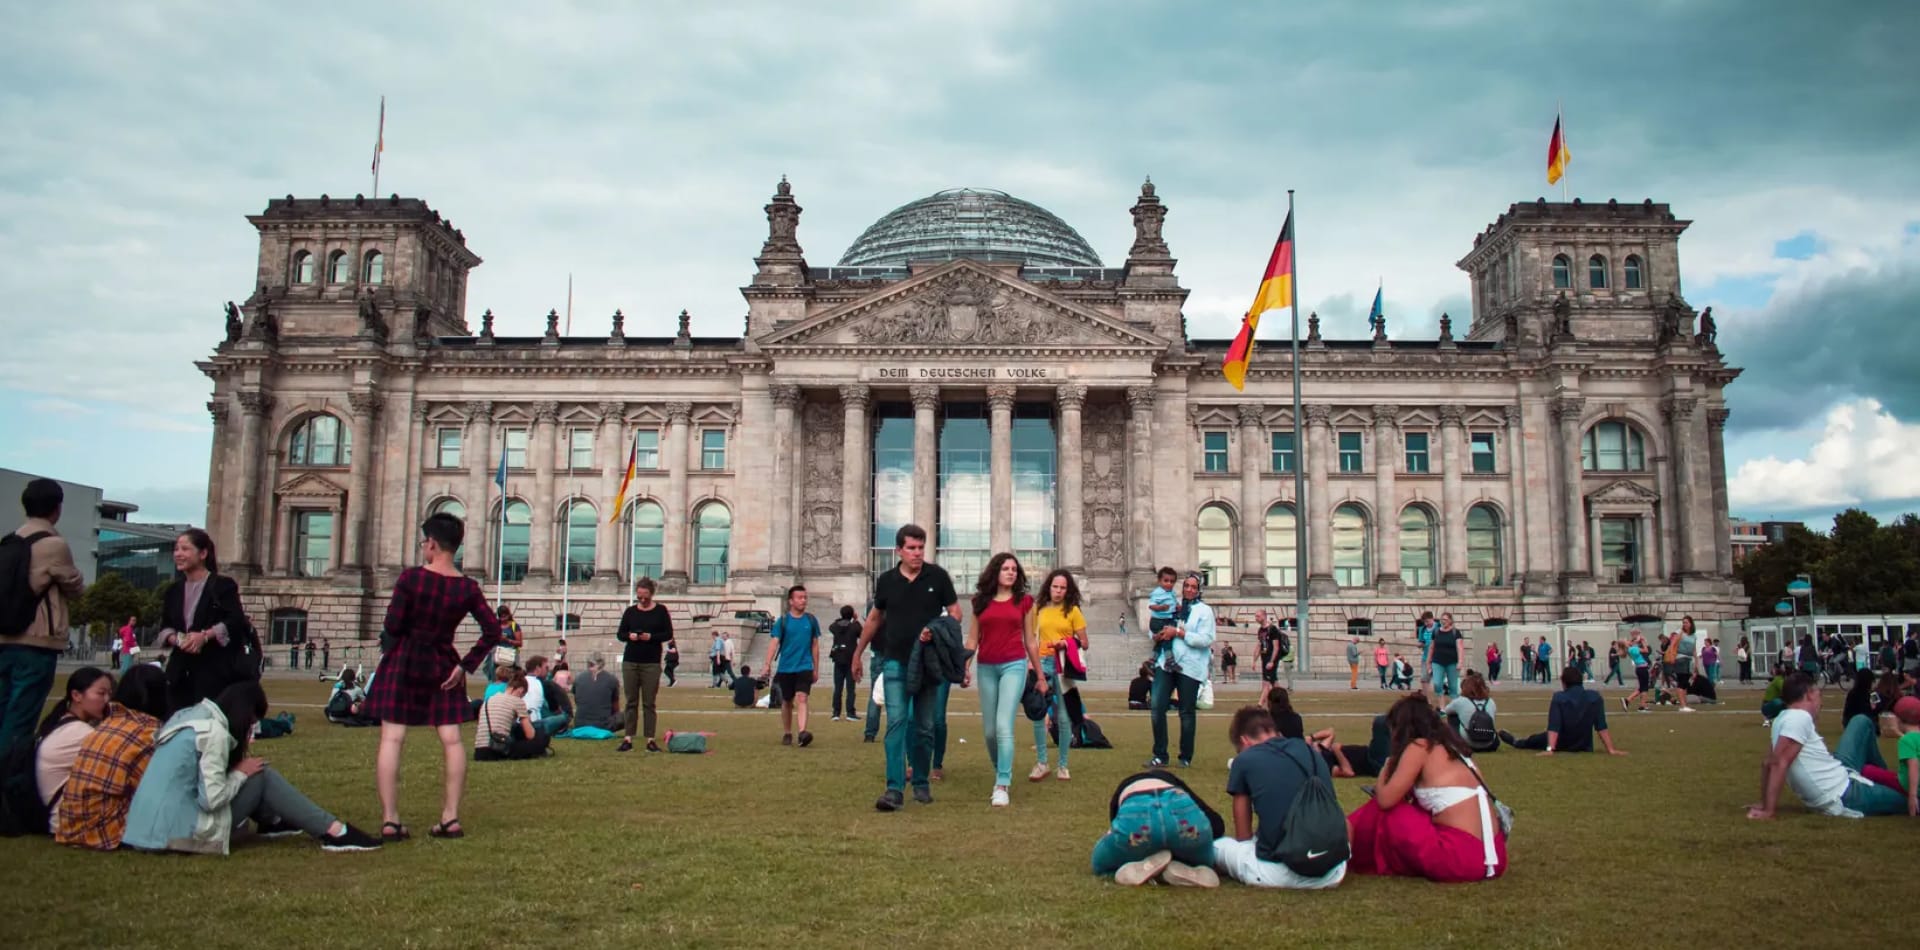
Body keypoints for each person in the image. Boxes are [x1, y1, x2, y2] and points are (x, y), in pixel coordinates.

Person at [366, 512, 504, 842]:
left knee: (392, 739)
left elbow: (393, 625)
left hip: (404, 659)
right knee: (452, 740)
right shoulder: (467, 587)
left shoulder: (410, 579)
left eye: (423, 543)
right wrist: (465, 665)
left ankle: (390, 820)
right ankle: (450, 817)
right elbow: (492, 630)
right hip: (444, 663)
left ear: (431, 543)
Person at [124, 681, 380, 853]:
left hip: (143, 830)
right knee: (261, 775)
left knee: (251, 771)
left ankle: (272, 820)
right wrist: (239, 774)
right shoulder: (213, 732)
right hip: (177, 835)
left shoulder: (188, 717)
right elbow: (211, 799)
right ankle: (333, 831)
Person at [851, 524, 959, 811]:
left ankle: (921, 781)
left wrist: (935, 631)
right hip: (895, 662)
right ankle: (894, 788)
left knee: (923, 727)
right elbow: (874, 619)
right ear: (898, 550)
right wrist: (858, 653)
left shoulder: (938, 577)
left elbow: (956, 615)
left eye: (921, 547)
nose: (917, 553)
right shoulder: (886, 581)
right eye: (911, 548)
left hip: (926, 664)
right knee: (896, 723)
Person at [1347, 695, 1508, 882]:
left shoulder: (1419, 747)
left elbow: (1385, 800)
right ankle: (1346, 837)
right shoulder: (1455, 749)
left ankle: (1345, 841)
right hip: (1494, 856)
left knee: (1388, 811)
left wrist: (1386, 768)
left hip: (1459, 856)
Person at [1, 479, 87, 814]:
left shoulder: (12, 539)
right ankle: (10, 801)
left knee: (3, 713)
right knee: (20, 722)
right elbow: (75, 585)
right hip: (35, 642)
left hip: (5, 640)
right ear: (57, 508)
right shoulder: (53, 543)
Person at [1211, 706, 1346, 889]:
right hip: (1333, 870)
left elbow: (1243, 836)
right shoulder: (1310, 751)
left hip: (1279, 873)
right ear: (1276, 732)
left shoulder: (1246, 759)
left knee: (1219, 846)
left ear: (1245, 741)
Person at [1749, 672, 1909, 819]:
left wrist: (1764, 803)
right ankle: (1893, 782)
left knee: (1861, 721)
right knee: (1905, 801)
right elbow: (1778, 763)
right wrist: (1768, 810)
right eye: (1819, 695)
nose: (1821, 702)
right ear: (1809, 695)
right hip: (1843, 793)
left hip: (1839, 772)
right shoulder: (1799, 718)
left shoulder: (1782, 718)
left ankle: (1886, 778)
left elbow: (1768, 762)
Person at [53, 664, 171, 849]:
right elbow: (155, 791)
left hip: (70, 827)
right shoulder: (146, 734)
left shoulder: (106, 726)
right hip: (106, 832)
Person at [962, 552, 1039, 808]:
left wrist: (1039, 674)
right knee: (989, 732)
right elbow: (973, 639)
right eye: (1006, 568)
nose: (1011, 572)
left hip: (1014, 666)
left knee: (1004, 725)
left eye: (1014, 569)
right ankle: (1000, 770)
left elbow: (1030, 640)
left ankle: (1002, 784)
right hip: (986, 666)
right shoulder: (979, 602)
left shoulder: (1025, 602)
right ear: (995, 571)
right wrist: (965, 666)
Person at [156, 529, 251, 712]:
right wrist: (178, 640)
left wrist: (204, 636)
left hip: (215, 669)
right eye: (176, 549)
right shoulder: (173, 590)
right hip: (180, 671)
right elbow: (165, 627)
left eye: (185, 549)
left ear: (203, 554)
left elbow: (235, 620)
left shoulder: (223, 585)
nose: (178, 554)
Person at [1092, 769, 1223, 886]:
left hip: (1136, 807)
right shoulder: (1174, 783)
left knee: (1099, 863)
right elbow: (1217, 825)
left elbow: (1117, 834)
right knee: (1208, 858)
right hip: (1181, 808)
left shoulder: (1125, 787)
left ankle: (1146, 866)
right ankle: (1186, 867)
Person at [1145, 573, 1214, 770]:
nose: (1190, 589)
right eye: (1187, 586)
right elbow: (1156, 624)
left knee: (1186, 711)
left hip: (1190, 666)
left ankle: (1185, 756)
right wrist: (1157, 635)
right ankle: (1160, 754)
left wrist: (1179, 633)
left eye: (1194, 586)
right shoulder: (1173, 605)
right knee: (1157, 706)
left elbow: (1206, 639)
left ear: (1199, 589)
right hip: (1166, 663)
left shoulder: (1204, 611)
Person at [33, 667, 115, 823]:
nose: (107, 700)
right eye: (101, 693)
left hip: (54, 814)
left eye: (109, 694)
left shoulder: (59, 722)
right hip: (66, 821)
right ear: (77, 695)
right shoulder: (80, 733)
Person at [1030, 568, 1088, 783]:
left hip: (1063, 665)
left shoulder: (1072, 610)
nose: (1058, 591)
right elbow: (1032, 639)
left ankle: (1063, 765)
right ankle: (1042, 762)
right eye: (1055, 586)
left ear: (1068, 590)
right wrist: (1031, 662)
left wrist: (1065, 643)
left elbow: (1085, 642)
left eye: (1063, 588)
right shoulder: (1039, 608)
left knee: (1063, 717)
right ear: (1049, 587)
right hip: (1042, 663)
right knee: (1038, 713)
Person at [1499, 665, 1627, 755]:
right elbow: (1601, 726)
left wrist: (1550, 749)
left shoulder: (1559, 697)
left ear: (1564, 682)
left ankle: (1517, 742)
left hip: (1561, 742)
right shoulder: (1594, 697)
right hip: (1583, 745)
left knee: (1534, 740)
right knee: (1539, 738)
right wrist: (1611, 749)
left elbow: (1554, 726)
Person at [616, 577, 674, 753]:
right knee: (631, 701)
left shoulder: (661, 611)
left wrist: (651, 637)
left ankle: (650, 739)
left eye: (645, 596)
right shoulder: (630, 612)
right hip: (631, 661)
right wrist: (630, 636)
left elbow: (668, 634)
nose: (642, 599)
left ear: (651, 594)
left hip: (651, 662)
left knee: (649, 703)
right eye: (639, 596)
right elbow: (620, 633)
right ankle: (628, 738)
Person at [764, 585, 822, 748]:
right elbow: (774, 643)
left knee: (802, 698)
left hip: (804, 666)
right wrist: (767, 664)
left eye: (805, 597)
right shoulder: (783, 622)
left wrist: (815, 668)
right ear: (791, 601)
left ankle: (802, 732)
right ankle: (788, 732)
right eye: (799, 597)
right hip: (786, 667)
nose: (803, 600)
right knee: (787, 701)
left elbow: (815, 645)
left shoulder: (811, 620)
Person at [474, 674, 550, 761]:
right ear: (520, 690)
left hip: (480, 752)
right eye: (523, 695)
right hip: (498, 750)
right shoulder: (517, 701)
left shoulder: (489, 700)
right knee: (543, 736)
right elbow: (530, 735)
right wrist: (527, 718)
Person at [1441, 672, 1500, 753]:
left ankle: (1454, 742)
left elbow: (1447, 710)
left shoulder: (1461, 701)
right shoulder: (1491, 702)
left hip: (1468, 743)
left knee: (1452, 716)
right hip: (1490, 743)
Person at [570, 653, 623, 732]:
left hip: (580, 724)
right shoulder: (612, 679)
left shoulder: (578, 678)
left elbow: (578, 700)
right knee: (628, 715)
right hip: (603, 725)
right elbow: (615, 707)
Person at [828, 605, 862, 722]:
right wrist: (856, 620)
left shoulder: (836, 626)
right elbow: (861, 633)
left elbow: (831, 627)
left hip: (838, 658)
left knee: (838, 687)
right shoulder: (854, 627)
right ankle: (850, 713)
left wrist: (840, 619)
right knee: (850, 688)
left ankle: (836, 712)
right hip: (850, 659)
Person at [520, 655, 569, 736]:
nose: (548, 671)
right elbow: (554, 708)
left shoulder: (521, 681)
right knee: (565, 716)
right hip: (536, 724)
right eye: (546, 668)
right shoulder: (543, 683)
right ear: (538, 668)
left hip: (520, 722)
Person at [1147, 566, 1179, 671]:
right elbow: (1151, 605)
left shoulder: (1172, 593)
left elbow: (1174, 603)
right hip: (1158, 621)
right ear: (1159, 581)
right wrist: (1160, 607)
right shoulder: (1157, 592)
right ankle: (1169, 660)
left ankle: (1152, 661)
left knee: (1160, 642)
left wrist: (1178, 606)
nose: (1169, 584)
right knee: (1167, 639)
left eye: (1172, 581)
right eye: (1166, 581)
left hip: (1167, 619)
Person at [1428, 613, 1467, 700]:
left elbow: (1460, 648)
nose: (1443, 621)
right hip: (1437, 661)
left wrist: (1460, 662)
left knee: (1453, 687)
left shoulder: (1455, 632)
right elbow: (1431, 648)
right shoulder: (1436, 632)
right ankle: (1442, 708)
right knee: (1437, 684)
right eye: (1441, 619)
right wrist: (1428, 662)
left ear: (1450, 621)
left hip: (1452, 662)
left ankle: (1453, 707)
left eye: (1445, 619)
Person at [1622, 634, 1653, 713]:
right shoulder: (1634, 648)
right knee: (1645, 688)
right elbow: (1646, 650)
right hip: (1643, 668)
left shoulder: (1629, 650)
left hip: (1639, 668)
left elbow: (1633, 642)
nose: (1629, 641)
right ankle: (1642, 706)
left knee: (1642, 688)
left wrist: (1635, 640)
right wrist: (1642, 641)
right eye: (1627, 641)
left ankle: (1628, 700)